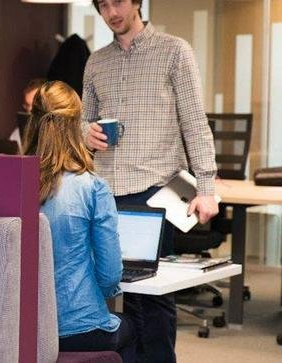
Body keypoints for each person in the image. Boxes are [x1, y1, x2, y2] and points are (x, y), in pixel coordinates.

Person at [83, 1, 218, 361]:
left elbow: (194, 123)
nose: (112, 11)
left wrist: (206, 188)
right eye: (104, 5)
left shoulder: (175, 52)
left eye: (119, 2)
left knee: (151, 298)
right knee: (106, 290)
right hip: (105, 192)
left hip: (155, 192)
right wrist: (86, 133)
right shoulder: (96, 61)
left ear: (137, 2)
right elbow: (83, 121)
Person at [21, 80, 136, 362]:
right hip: (78, 326)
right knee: (132, 328)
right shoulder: (92, 187)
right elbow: (110, 275)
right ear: (76, 124)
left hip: (23, 328)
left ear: (32, 121)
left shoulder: (12, 182)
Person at [10, 78, 48, 149]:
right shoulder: (17, 135)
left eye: (34, 105)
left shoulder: (57, 133)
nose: (30, 109)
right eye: (27, 105)